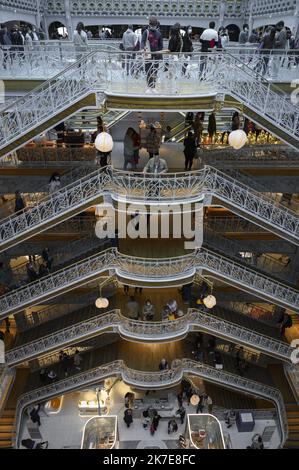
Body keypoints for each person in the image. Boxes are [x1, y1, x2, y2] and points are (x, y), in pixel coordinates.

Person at [141, 16, 163, 92]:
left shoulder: (158, 33)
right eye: (152, 24)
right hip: (149, 55)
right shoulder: (146, 32)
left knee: (153, 71)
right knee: (149, 71)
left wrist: (160, 57)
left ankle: (152, 87)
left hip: (154, 55)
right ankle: (150, 87)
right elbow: (143, 42)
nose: (153, 26)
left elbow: (161, 46)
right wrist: (143, 49)